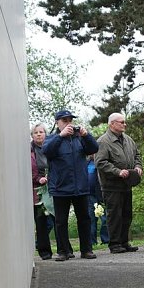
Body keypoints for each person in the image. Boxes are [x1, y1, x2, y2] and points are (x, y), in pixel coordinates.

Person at [42, 109, 99, 261]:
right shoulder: (51, 139)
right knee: (61, 221)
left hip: (80, 186)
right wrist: (61, 136)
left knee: (85, 219)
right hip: (61, 187)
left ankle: (86, 250)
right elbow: (46, 151)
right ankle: (63, 251)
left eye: (70, 120)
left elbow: (94, 148)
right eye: (65, 120)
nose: (68, 123)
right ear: (57, 122)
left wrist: (86, 135)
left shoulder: (79, 138)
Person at [96, 113, 143, 254]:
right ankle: (115, 243)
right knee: (114, 215)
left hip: (127, 184)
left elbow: (137, 155)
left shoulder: (128, 140)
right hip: (111, 186)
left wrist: (138, 166)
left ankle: (124, 242)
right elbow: (100, 162)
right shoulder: (103, 141)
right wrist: (117, 171)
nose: (125, 124)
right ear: (112, 124)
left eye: (124, 122)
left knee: (127, 214)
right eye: (121, 122)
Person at [30, 123, 54, 260]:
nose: (39, 134)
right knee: (41, 220)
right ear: (32, 135)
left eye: (41, 132)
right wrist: (38, 179)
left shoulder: (51, 148)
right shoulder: (29, 150)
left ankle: (65, 249)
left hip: (53, 188)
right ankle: (44, 251)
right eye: (35, 132)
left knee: (56, 219)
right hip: (37, 191)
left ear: (46, 134)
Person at [86, 155, 110, 246]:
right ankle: (92, 242)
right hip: (89, 196)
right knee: (91, 220)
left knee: (105, 219)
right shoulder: (86, 163)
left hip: (101, 195)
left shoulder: (102, 163)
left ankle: (106, 239)